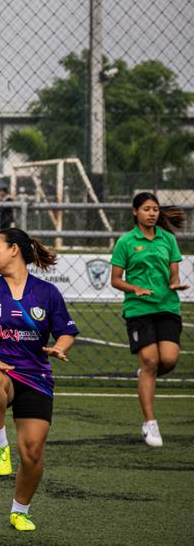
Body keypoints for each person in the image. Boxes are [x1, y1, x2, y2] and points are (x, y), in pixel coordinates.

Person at [0, 227, 77, 531]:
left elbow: (66, 332)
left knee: (32, 453)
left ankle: (20, 510)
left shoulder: (47, 293)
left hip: (36, 376)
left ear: (14, 250)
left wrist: (60, 347)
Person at [109, 192, 186, 448]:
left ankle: (145, 374)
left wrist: (176, 284)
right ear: (135, 212)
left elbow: (173, 273)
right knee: (152, 360)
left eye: (155, 209)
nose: (152, 213)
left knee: (169, 360)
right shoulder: (126, 242)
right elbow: (116, 279)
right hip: (139, 309)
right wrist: (135, 289)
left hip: (168, 306)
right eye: (146, 209)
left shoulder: (168, 240)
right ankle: (149, 422)